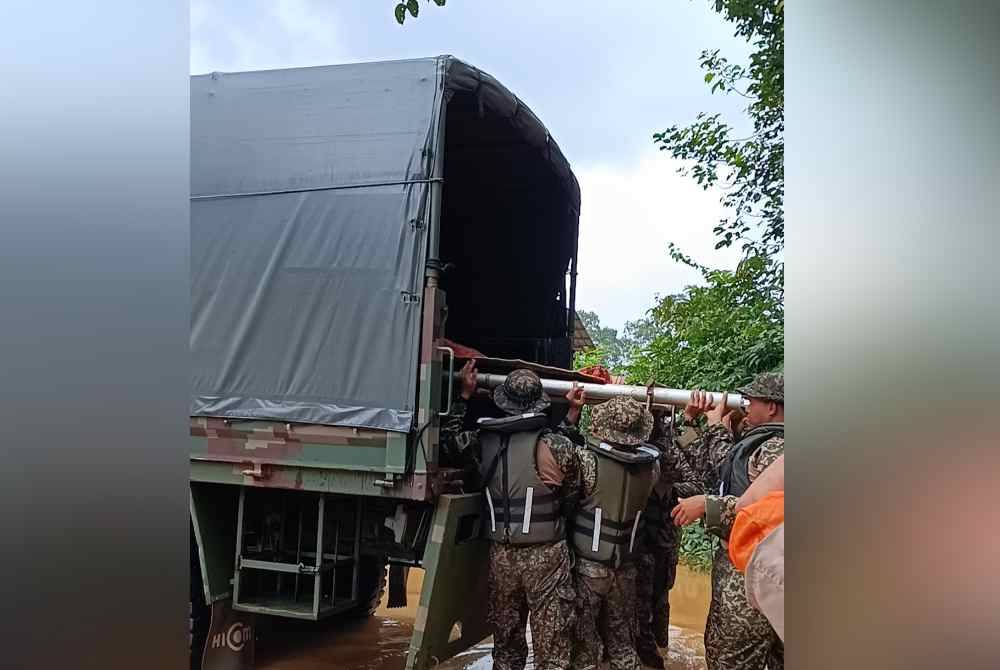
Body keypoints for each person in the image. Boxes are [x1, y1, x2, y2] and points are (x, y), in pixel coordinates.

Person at [441, 360, 583, 670]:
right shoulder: (557, 446)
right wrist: (572, 415)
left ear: (503, 402)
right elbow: (573, 495)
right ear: (539, 402)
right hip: (546, 554)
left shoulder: (481, 441)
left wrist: (463, 396)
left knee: (506, 650)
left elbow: (450, 441)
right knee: (554, 652)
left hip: (501, 556)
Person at [670, 372, 785, 670]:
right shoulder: (759, 443)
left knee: (731, 658)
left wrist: (707, 506)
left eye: (752, 400)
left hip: (755, 572)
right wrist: (691, 424)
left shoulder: (777, 447)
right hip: (749, 567)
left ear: (772, 407)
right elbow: (712, 470)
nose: (745, 405)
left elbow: (759, 506)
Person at [569, 396, 660, 670]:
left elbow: (568, 499)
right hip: (626, 568)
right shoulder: (652, 467)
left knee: (584, 648)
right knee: (622, 643)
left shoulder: (586, 461)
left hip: (589, 567)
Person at [633, 408, 703, 668]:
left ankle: (656, 655)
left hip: (653, 541)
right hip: (648, 541)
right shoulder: (644, 448)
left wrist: (670, 491)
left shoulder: (661, 450)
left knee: (651, 603)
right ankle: (659, 654)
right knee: (653, 602)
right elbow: (696, 481)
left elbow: (695, 484)